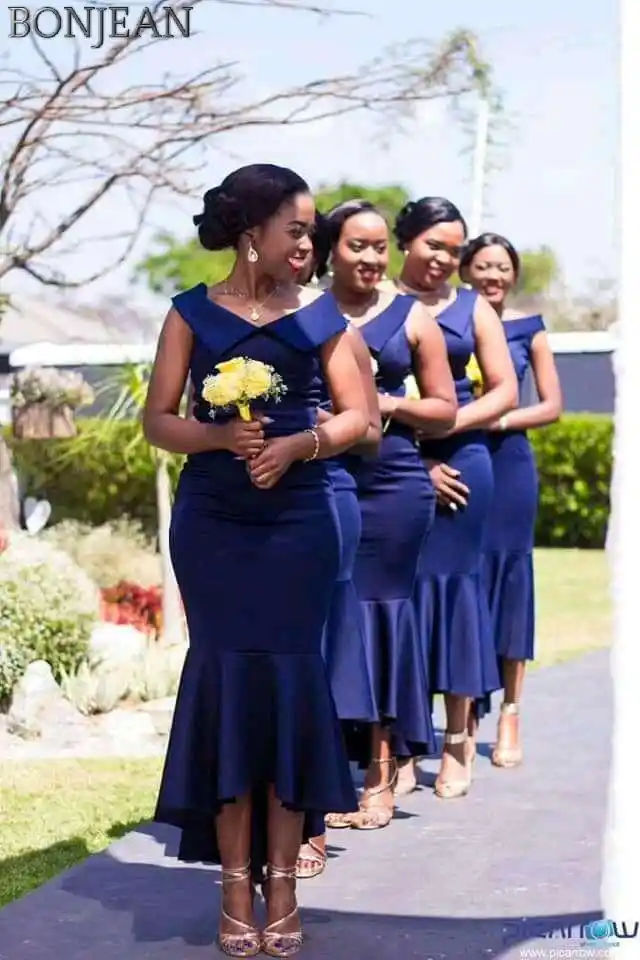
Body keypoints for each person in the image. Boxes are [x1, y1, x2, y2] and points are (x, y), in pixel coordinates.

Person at [144, 163, 370, 958]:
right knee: (231, 691)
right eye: (297, 230)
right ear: (252, 234)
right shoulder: (189, 315)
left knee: (288, 692)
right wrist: (217, 436)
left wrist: (300, 444)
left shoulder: (321, 318)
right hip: (214, 524)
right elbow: (158, 421)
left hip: (300, 524)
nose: (310, 244)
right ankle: (235, 885)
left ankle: (284, 883)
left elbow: (360, 417)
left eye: (312, 231)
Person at [313, 199, 457, 831]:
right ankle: (324, 773)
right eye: (357, 246)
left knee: (380, 620)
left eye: (380, 247)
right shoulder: (306, 313)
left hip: (394, 486)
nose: (372, 258)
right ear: (330, 250)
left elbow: (445, 410)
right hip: (322, 481)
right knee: (327, 622)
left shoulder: (413, 317)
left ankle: (380, 773)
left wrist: (382, 403)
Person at [392, 197, 518, 800]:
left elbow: (504, 390)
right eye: (433, 245)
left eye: (454, 249)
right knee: (401, 602)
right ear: (406, 241)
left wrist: (447, 422)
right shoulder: (377, 304)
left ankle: (458, 737)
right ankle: (401, 744)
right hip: (393, 464)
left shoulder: (473, 309)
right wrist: (416, 458)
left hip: (465, 463)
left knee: (455, 594)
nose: (444, 258)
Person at [294, 221, 382, 879]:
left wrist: (319, 429)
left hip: (325, 498)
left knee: (315, 663)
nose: (297, 253)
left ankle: (312, 818)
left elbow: (371, 432)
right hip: (243, 511)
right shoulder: (222, 326)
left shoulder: (337, 330)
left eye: (306, 244)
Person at [460, 232, 562, 767]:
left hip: (510, 464)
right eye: (482, 266)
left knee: (511, 584)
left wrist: (497, 418)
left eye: (501, 267)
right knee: (467, 584)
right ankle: (465, 712)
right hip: (462, 460)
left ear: (513, 274)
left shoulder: (530, 329)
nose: (493, 276)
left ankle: (510, 714)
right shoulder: (450, 323)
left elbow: (551, 405)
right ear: (465, 271)